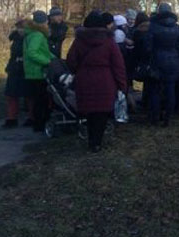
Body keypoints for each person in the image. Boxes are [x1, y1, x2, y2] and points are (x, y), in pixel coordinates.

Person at [67, 11, 127, 152]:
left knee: (89, 110)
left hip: (85, 79)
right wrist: (122, 85)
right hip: (105, 79)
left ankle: (90, 139)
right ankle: (97, 142)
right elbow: (118, 64)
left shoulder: (79, 41)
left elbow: (71, 60)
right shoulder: (109, 41)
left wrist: (79, 71)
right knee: (101, 112)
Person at [145, 3, 179, 127]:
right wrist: (175, 55)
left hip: (157, 60)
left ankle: (155, 117)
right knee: (170, 89)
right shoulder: (177, 27)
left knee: (155, 90)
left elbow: (148, 47)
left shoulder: (153, 26)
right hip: (172, 61)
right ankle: (168, 117)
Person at [23, 10, 54, 132]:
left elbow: (44, 51)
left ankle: (38, 123)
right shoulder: (38, 35)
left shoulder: (30, 34)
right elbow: (33, 52)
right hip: (38, 72)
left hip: (31, 71)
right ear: (43, 22)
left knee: (37, 100)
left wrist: (55, 59)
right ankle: (40, 124)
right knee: (41, 100)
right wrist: (48, 62)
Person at [3, 20, 27, 128]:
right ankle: (12, 117)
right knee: (11, 94)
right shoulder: (16, 38)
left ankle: (31, 117)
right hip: (14, 68)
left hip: (25, 68)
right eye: (19, 28)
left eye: (22, 28)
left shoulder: (29, 38)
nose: (20, 30)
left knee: (29, 95)